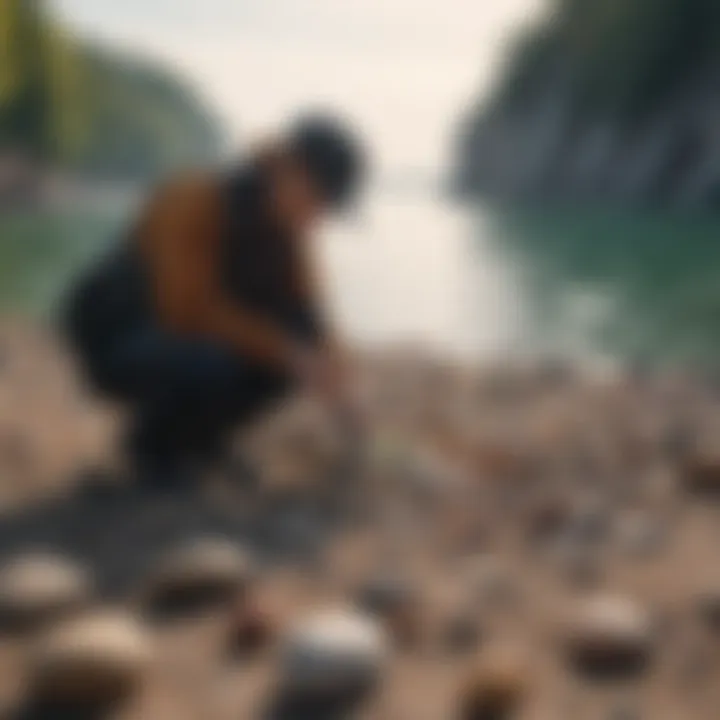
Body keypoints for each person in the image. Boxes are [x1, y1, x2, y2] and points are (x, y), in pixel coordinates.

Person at [64, 113, 366, 490]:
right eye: (319, 200)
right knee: (219, 361)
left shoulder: (288, 232)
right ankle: (151, 448)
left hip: (183, 339)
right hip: (120, 337)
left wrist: (339, 381)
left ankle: (201, 441)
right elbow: (185, 309)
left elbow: (310, 315)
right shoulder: (196, 198)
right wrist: (286, 350)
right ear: (289, 170)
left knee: (285, 358)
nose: (319, 219)